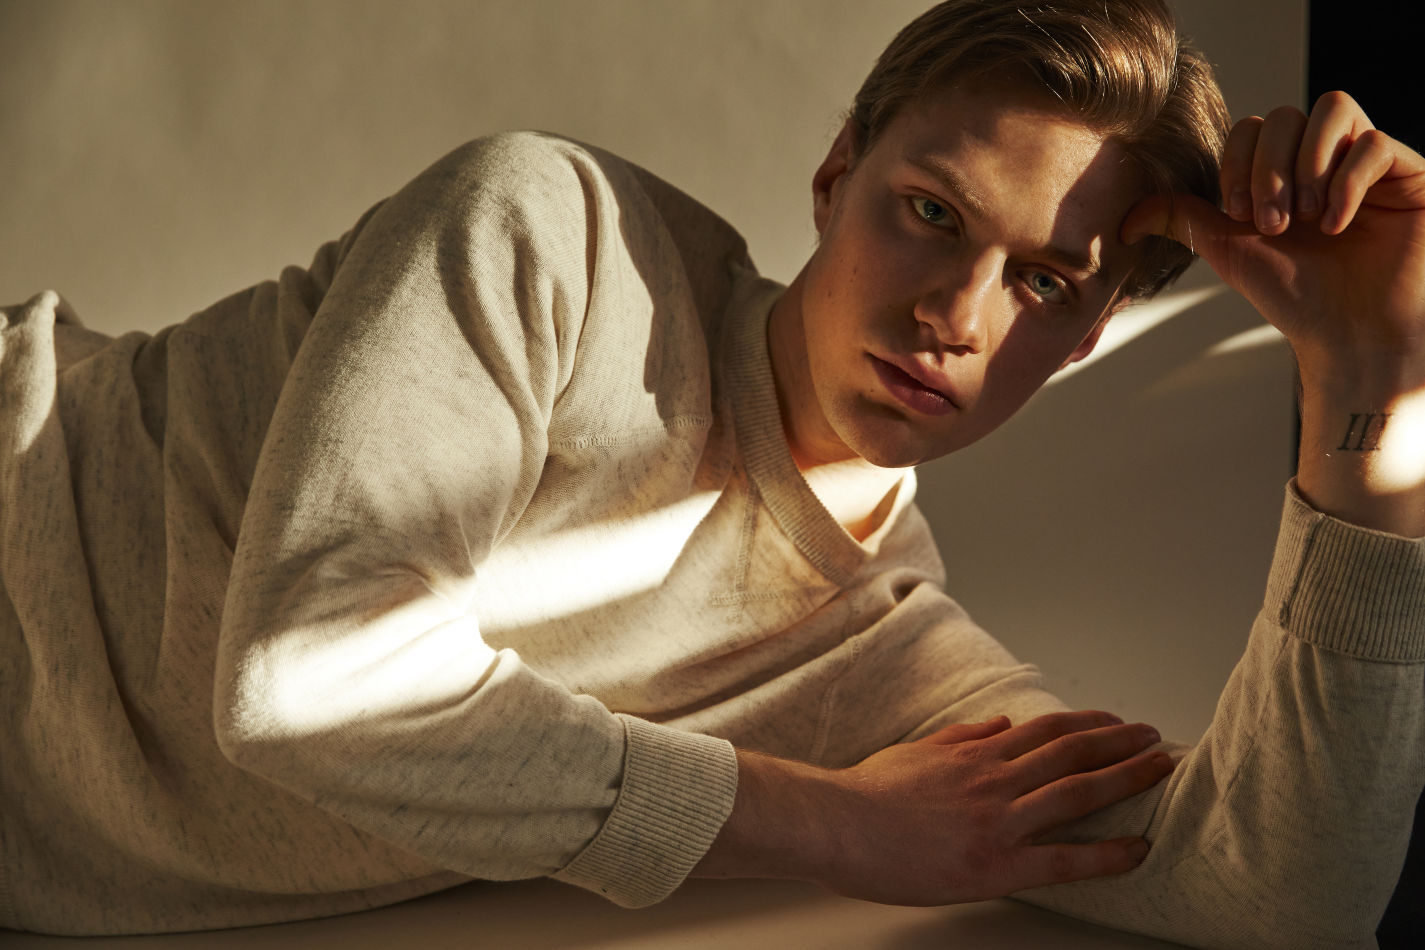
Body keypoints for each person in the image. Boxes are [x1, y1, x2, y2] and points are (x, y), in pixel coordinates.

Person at [0, 0, 1420, 945]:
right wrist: (834, 822)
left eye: (1043, 282)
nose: (955, 312)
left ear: (1087, 335)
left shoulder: (882, 666)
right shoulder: (553, 237)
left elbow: (1278, 892)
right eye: (930, 212)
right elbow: (308, 677)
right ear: (834, 173)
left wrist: (1368, 391)